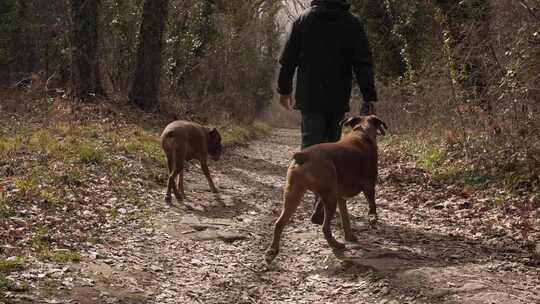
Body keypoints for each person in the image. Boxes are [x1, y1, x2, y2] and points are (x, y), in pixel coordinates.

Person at [277, 0, 378, 225]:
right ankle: (322, 204)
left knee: (312, 148)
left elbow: (289, 58)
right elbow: (363, 62)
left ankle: (316, 201)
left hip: (310, 97)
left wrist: (284, 90)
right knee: (333, 150)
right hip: (336, 98)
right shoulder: (352, 23)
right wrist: (368, 95)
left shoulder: (304, 20)